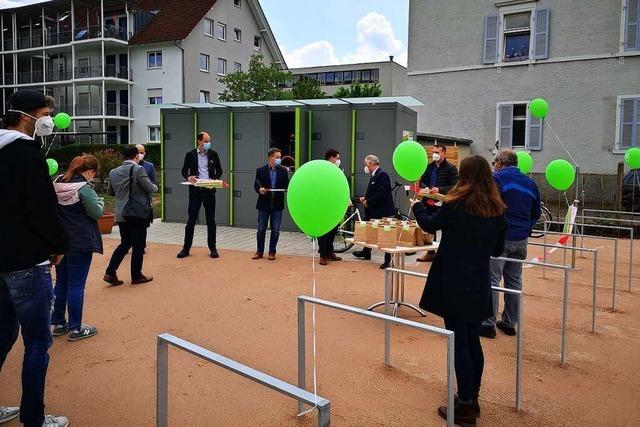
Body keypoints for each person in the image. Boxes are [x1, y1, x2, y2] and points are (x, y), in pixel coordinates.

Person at [412, 155, 506, 426]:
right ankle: (472, 398)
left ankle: (464, 405)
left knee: (459, 342)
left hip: (453, 279)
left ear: (464, 176)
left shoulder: (457, 204)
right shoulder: (497, 209)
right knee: (472, 340)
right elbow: (498, 250)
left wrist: (418, 206)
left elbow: (429, 224)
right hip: (478, 281)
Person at [0, 89, 70, 426]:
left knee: (1, 336)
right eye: (45, 113)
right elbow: (43, 209)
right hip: (27, 262)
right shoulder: (27, 155)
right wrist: (58, 245)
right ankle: (34, 419)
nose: (48, 121)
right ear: (27, 116)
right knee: (37, 344)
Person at [480, 149, 541, 338]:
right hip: (520, 238)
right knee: (514, 281)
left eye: (494, 162)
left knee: (492, 280)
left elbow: (489, 206)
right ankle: (509, 322)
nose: (493, 165)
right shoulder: (530, 183)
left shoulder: (496, 179)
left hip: (500, 237)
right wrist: (526, 228)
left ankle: (487, 323)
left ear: (500, 162)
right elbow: (536, 212)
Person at [52, 155, 104, 342]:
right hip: (80, 241)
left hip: (61, 242)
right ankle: (76, 327)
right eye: (94, 172)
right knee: (76, 285)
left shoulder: (57, 182)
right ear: (89, 171)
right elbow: (96, 212)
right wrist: (101, 201)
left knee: (61, 283)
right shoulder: (84, 188)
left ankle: (58, 323)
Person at [103, 145, 157, 286]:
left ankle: (110, 271)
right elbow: (150, 187)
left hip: (121, 213)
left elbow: (110, 192)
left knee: (125, 243)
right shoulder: (138, 169)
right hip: (136, 213)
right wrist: (154, 187)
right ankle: (136, 275)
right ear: (136, 156)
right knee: (138, 245)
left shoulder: (113, 172)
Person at [177, 132, 223, 259]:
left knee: (211, 220)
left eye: (209, 141)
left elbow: (219, 170)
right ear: (199, 141)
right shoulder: (190, 154)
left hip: (209, 190)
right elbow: (183, 170)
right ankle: (186, 248)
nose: (208, 143)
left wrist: (214, 180)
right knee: (191, 219)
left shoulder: (213, 154)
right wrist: (188, 177)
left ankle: (213, 248)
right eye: (205, 141)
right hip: (195, 191)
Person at [417, 145, 458, 262]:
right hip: (429, 201)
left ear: (444, 153)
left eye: (437, 152)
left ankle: (444, 253)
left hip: (444, 203)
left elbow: (455, 186)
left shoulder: (451, 168)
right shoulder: (430, 167)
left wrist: (439, 189)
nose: (434, 154)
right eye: (433, 152)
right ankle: (430, 252)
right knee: (430, 227)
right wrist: (425, 188)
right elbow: (422, 181)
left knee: (445, 227)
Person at [352, 154, 394, 269]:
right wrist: (364, 198)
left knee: (386, 235)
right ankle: (366, 252)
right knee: (369, 231)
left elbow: (381, 193)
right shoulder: (374, 175)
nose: (365, 167)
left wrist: (368, 201)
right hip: (373, 210)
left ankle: (388, 260)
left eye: (366, 165)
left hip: (382, 211)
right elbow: (372, 191)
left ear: (371, 164)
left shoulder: (382, 175)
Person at [253, 148, 289, 261]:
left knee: (275, 230)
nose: (279, 159)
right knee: (261, 229)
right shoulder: (261, 170)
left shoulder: (283, 171)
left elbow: (287, 185)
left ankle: (272, 252)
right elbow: (256, 184)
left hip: (277, 205)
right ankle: (259, 252)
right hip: (264, 204)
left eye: (280, 157)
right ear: (270, 158)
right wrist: (260, 189)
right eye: (277, 157)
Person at [317, 149, 343, 265]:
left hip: (334, 205)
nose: (338, 160)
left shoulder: (336, 170)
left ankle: (329, 252)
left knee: (333, 229)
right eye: (337, 158)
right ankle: (323, 255)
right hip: (323, 205)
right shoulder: (323, 169)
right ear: (331, 158)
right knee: (323, 231)